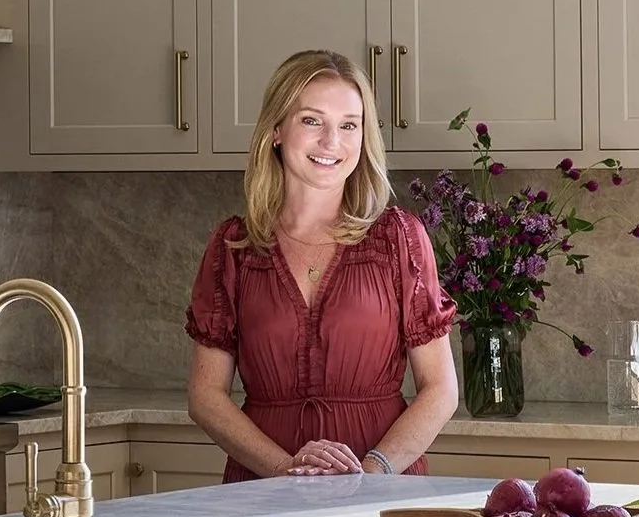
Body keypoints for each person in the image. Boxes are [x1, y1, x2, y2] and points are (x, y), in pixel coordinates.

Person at [186, 48, 457, 478]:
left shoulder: (398, 239)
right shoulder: (233, 247)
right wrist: (284, 470)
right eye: (312, 120)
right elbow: (205, 396)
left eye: (349, 125)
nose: (332, 142)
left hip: (380, 490)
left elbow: (440, 389)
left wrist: (371, 472)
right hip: (262, 490)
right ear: (276, 130)